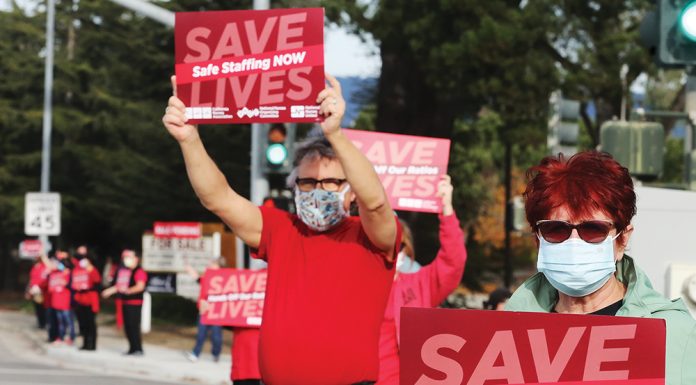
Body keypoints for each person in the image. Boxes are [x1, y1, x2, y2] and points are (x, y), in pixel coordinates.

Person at [163, 74, 401, 385]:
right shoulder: (281, 229)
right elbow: (218, 198)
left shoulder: (371, 236)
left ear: (352, 190)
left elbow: (377, 205)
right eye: (308, 182)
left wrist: (336, 135)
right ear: (294, 186)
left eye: (332, 182)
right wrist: (189, 138)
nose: (319, 190)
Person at [505, 151, 696, 385]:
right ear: (538, 238)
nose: (574, 243)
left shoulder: (671, 333)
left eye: (593, 229)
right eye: (556, 229)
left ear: (622, 239)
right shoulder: (506, 332)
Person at [376, 175, 467, 385]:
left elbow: (453, 261)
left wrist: (446, 209)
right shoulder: (355, 283)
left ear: (404, 246)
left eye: (394, 240)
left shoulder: (419, 282)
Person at [102, 249, 147, 356]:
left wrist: (129, 291)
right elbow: (119, 285)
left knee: (133, 325)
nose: (126, 259)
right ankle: (132, 348)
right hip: (125, 301)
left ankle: (138, 349)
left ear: (136, 259)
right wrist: (109, 291)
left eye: (129, 257)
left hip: (135, 302)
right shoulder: (124, 271)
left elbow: (140, 286)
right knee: (127, 326)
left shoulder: (139, 271)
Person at [184, 257, 224, 363]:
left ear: (219, 266)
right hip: (204, 311)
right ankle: (195, 354)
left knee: (216, 337)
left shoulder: (225, 279)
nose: (210, 265)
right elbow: (197, 278)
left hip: (216, 312)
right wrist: (189, 269)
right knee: (201, 334)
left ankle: (216, 353)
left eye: (213, 264)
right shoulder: (207, 277)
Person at [71, 245, 102, 350]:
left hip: (90, 300)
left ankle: (92, 345)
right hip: (80, 299)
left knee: (91, 323)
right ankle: (85, 344)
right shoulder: (77, 269)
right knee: (82, 323)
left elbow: (97, 280)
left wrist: (89, 268)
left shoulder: (92, 270)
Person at [44, 251, 75, 345]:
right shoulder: (55, 273)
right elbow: (50, 267)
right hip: (56, 302)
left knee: (68, 321)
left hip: (65, 302)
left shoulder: (69, 273)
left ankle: (71, 337)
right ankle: (60, 337)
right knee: (60, 321)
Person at [26, 254, 50, 329]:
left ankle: (45, 323)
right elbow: (31, 279)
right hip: (35, 290)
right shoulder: (34, 268)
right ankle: (41, 323)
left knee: (44, 307)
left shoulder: (45, 267)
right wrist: (28, 290)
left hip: (43, 290)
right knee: (38, 308)